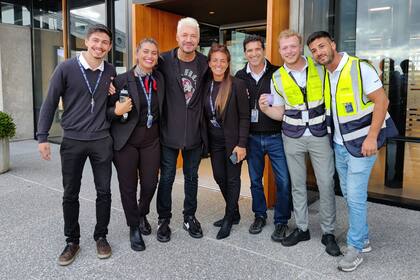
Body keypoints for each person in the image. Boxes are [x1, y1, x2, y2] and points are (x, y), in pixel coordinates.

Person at [307, 31, 398, 272]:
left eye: (322, 46)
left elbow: (382, 102)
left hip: (362, 145)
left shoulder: (359, 67)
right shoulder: (327, 74)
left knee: (355, 198)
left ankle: (355, 248)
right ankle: (364, 237)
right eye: (314, 50)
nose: (319, 52)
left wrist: (371, 137)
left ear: (333, 45)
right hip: (340, 144)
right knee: (348, 194)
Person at [37, 24, 115, 266]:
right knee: (71, 193)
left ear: (110, 47)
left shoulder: (110, 71)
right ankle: (72, 241)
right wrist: (42, 136)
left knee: (104, 192)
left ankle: (101, 236)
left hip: (101, 140)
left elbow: (114, 105)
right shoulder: (67, 68)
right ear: (86, 41)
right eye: (95, 40)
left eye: (104, 42)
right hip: (72, 140)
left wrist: (113, 94)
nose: (99, 46)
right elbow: (50, 102)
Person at [267, 30, 339, 256]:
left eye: (293, 46)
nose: (289, 51)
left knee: (326, 183)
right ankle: (302, 228)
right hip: (292, 136)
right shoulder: (277, 77)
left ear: (300, 48)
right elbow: (279, 112)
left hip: (319, 134)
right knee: (297, 185)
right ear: (279, 51)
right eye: (284, 47)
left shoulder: (320, 68)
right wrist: (264, 109)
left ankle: (328, 232)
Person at [107, 38, 164, 251]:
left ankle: (141, 213)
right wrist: (116, 111)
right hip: (126, 142)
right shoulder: (120, 81)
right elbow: (106, 112)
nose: (150, 56)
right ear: (137, 53)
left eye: (154, 53)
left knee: (150, 183)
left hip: (151, 140)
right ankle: (134, 227)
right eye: (146, 52)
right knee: (128, 187)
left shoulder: (160, 78)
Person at [156, 17, 209, 242]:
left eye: (193, 36)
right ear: (177, 37)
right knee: (166, 177)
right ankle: (163, 220)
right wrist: (114, 82)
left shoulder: (205, 63)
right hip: (169, 132)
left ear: (198, 39)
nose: (189, 40)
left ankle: (189, 217)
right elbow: (139, 70)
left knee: (192, 177)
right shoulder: (163, 60)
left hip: (195, 134)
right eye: (184, 35)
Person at [235, 35, 291, 240]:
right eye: (249, 50)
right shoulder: (239, 77)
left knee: (283, 181)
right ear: (245, 53)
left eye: (257, 49)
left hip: (276, 136)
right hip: (252, 138)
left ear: (264, 50)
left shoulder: (278, 73)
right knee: (255, 181)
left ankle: (281, 221)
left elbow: (288, 101)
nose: (254, 53)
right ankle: (259, 215)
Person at [203, 44, 249, 239]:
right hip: (214, 143)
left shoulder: (236, 84)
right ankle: (235, 210)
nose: (219, 64)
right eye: (215, 60)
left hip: (233, 143)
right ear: (209, 63)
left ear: (228, 63)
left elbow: (245, 117)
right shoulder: (206, 85)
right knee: (219, 177)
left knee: (232, 179)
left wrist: (242, 144)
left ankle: (229, 217)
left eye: (223, 60)